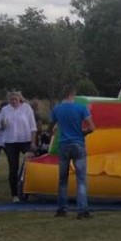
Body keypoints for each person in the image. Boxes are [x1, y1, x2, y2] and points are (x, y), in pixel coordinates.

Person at [48, 87, 96, 219]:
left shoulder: (57, 109)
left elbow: (50, 127)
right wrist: (82, 132)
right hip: (78, 144)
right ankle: (82, 210)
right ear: (73, 94)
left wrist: (51, 131)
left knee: (63, 180)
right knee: (81, 180)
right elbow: (92, 127)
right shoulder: (81, 108)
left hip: (64, 145)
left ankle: (62, 209)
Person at [0, 90, 37, 202]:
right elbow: (0, 127)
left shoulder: (26, 108)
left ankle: (31, 190)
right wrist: (2, 124)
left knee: (30, 164)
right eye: (11, 100)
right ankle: (14, 195)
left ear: (20, 99)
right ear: (8, 100)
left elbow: (33, 127)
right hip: (10, 141)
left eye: (15, 99)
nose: (13, 101)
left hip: (25, 140)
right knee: (13, 168)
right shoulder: (5, 110)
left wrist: (33, 142)